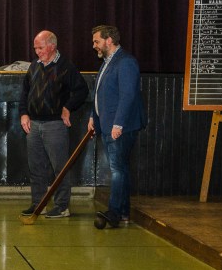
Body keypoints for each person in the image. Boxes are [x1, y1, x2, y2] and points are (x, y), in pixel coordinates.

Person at [18, 30, 89, 218]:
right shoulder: (34, 66)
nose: (37, 52)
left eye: (40, 48)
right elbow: (24, 92)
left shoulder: (66, 66)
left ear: (52, 46)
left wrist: (68, 107)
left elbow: (82, 90)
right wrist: (23, 114)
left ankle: (61, 206)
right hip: (33, 124)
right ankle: (38, 204)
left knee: (60, 168)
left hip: (55, 125)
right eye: (35, 48)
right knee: (36, 167)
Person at [87, 25, 146, 228]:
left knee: (118, 170)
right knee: (121, 169)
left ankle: (113, 212)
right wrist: (93, 117)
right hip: (107, 125)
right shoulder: (108, 62)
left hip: (120, 127)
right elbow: (100, 94)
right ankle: (123, 213)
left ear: (109, 40)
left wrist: (118, 124)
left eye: (96, 41)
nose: (94, 45)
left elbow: (128, 95)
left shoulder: (126, 62)